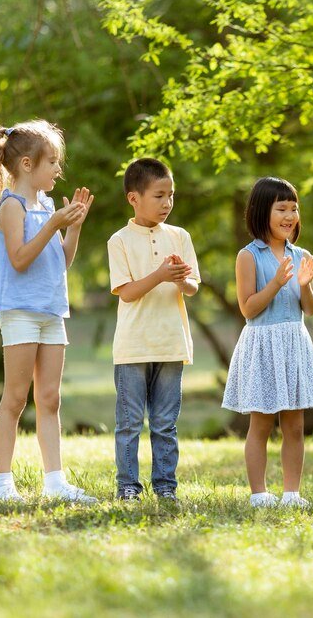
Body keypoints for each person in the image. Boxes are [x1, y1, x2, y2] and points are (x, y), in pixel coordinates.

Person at [0, 119, 97, 504]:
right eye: (52, 162)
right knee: (16, 398)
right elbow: (18, 260)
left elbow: (60, 262)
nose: (58, 169)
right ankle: (4, 483)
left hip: (52, 310)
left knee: (49, 398)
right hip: (20, 311)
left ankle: (55, 481)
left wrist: (74, 228)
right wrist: (52, 224)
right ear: (28, 165)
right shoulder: (11, 206)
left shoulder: (48, 204)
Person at [223, 177, 313, 508]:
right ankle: (258, 494)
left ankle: (292, 493)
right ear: (260, 212)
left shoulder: (302, 255)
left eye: (294, 209)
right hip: (263, 344)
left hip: (294, 342)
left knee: (295, 425)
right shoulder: (248, 256)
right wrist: (276, 284)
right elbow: (248, 308)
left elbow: (310, 309)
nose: (289, 216)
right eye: (281, 208)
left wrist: (305, 285)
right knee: (262, 423)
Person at [108, 157, 200, 502]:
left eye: (171, 195)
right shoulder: (119, 241)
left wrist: (181, 279)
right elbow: (127, 292)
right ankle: (128, 485)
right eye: (159, 196)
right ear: (134, 198)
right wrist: (160, 275)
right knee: (130, 423)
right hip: (133, 345)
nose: (167, 203)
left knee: (165, 423)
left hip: (172, 342)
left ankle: (165, 486)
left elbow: (192, 286)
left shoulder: (179, 236)